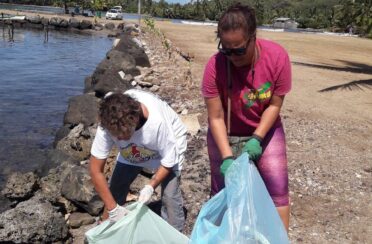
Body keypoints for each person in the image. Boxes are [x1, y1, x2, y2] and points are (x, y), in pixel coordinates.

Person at [202, 3, 291, 231]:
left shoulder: (277, 57)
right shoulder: (214, 66)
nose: (233, 57)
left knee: (277, 189)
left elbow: (275, 104)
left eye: (239, 50)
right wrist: (227, 157)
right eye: (226, 50)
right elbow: (216, 117)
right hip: (225, 131)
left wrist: (257, 137)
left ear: (253, 37)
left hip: (266, 129)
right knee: (221, 191)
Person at [89, 89, 187, 232]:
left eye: (122, 135)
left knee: (170, 195)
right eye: (116, 137)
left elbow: (168, 161)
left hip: (167, 146)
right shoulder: (109, 120)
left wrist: (150, 186)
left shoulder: (158, 123)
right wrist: (112, 208)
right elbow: (95, 170)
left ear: (134, 120)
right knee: (116, 187)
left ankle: (174, 234)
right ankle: (107, 228)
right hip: (132, 151)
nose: (119, 140)